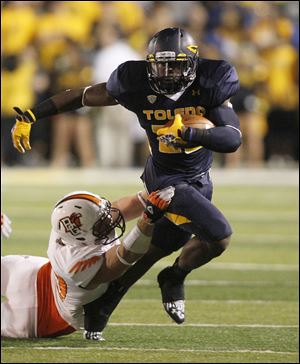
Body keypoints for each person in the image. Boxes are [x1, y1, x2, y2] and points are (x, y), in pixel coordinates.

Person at [11, 27, 242, 333]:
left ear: (192, 63)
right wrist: (32, 115)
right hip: (165, 178)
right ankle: (173, 277)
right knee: (220, 235)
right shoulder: (135, 83)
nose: (168, 72)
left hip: (199, 177)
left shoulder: (209, 82)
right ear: (150, 63)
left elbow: (232, 138)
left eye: (175, 64)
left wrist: (189, 133)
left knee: (163, 245)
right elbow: (83, 96)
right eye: (161, 64)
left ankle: (117, 297)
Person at [1, 187, 174, 339]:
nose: (108, 220)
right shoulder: (76, 264)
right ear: (82, 236)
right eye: (100, 223)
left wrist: (155, 191)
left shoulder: (73, 229)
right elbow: (125, 256)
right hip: (38, 315)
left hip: (38, 273)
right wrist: (147, 220)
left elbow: (120, 208)